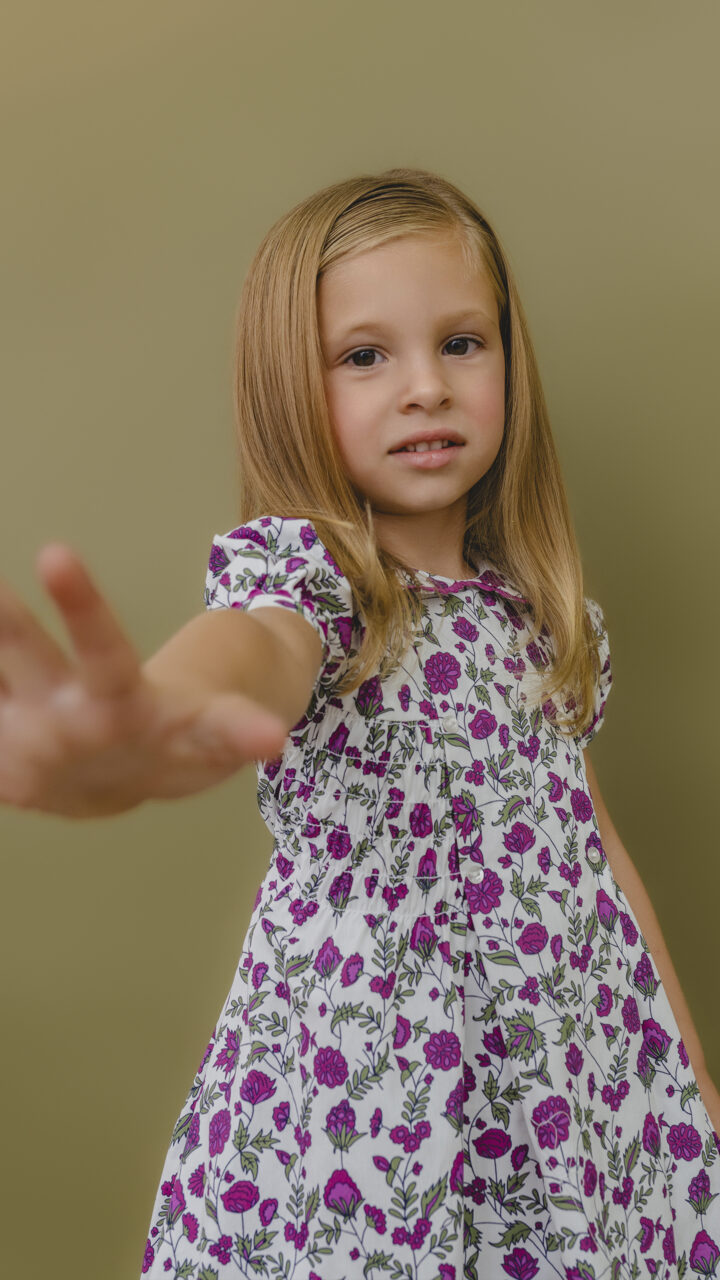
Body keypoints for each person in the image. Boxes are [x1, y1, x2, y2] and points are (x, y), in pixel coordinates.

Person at [2, 168, 718, 1279]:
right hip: (380, 1103)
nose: (425, 387)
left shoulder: (548, 619)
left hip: (569, 1087)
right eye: (365, 355)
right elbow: (251, 649)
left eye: (462, 343)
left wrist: (684, 1062)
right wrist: (157, 719)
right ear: (294, 389)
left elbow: (592, 843)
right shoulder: (324, 588)